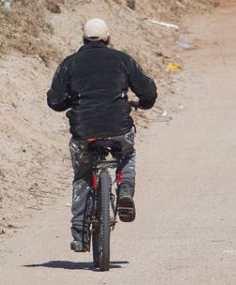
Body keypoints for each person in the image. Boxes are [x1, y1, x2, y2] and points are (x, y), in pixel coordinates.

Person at [46, 17, 158, 252]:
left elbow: (54, 101)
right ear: (108, 38)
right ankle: (125, 190)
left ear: (83, 38)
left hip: (84, 132)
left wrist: (73, 101)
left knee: (83, 175)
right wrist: (142, 103)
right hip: (119, 128)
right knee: (127, 154)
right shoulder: (123, 60)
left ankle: (79, 234)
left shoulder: (69, 63)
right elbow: (148, 92)